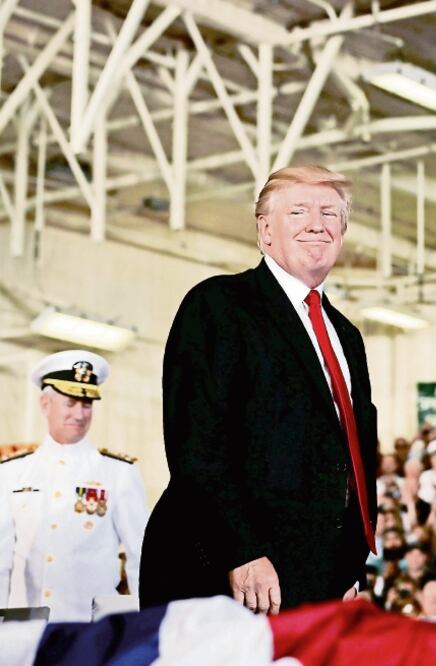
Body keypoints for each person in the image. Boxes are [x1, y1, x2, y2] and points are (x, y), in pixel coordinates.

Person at [140, 165, 379, 615]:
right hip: (227, 573)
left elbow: (352, 459)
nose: (317, 223)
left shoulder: (346, 335)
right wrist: (240, 551)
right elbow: (197, 443)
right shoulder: (218, 306)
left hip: (319, 580)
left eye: (330, 212)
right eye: (299, 211)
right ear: (265, 232)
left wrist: (351, 566)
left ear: (342, 233)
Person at [0, 351, 147, 621]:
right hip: (24, 628)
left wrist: (142, 625)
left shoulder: (119, 473)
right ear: (45, 404)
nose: (79, 414)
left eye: (87, 404)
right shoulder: (11, 472)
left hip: (90, 630)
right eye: (70, 403)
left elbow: (141, 555)